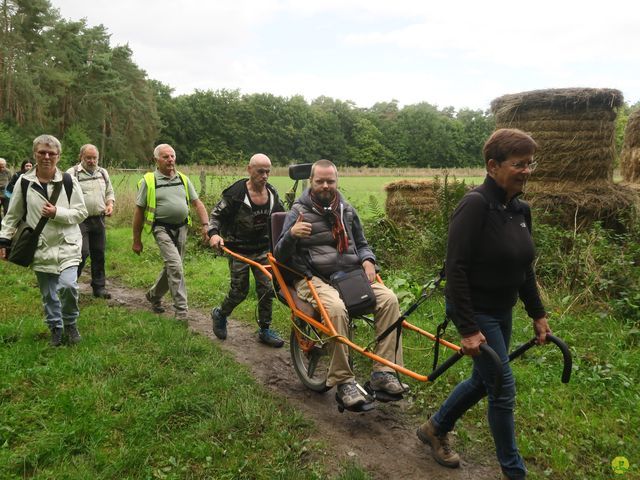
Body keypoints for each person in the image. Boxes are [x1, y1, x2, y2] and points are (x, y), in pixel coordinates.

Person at [416, 128, 551, 480]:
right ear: (493, 165)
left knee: (483, 380)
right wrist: (469, 328)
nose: (526, 171)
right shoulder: (475, 205)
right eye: (519, 164)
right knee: (502, 389)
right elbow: (456, 270)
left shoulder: (521, 209)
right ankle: (513, 471)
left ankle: (434, 427)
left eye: (530, 164)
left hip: (501, 310)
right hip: (474, 310)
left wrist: (537, 313)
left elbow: (525, 268)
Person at [274, 159, 404, 409]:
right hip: (313, 277)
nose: (325, 185)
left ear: (337, 182)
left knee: (389, 300)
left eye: (330, 181)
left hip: (350, 275)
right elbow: (280, 255)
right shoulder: (298, 211)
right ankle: (344, 382)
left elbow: (363, 244)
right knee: (334, 308)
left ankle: (383, 373)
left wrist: (367, 260)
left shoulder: (346, 209)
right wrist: (291, 235)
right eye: (320, 181)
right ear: (311, 182)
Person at [0, 135, 88, 346]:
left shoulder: (68, 180)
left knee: (68, 286)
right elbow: (12, 216)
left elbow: (81, 212)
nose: (46, 157)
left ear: (58, 156)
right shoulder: (24, 182)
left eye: (51, 153)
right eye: (42, 152)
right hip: (39, 246)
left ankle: (70, 323)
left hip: (68, 244)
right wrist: (3, 241)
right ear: (35, 154)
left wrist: (57, 212)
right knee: (49, 294)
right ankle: (55, 329)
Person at [208, 153, 285, 347]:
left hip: (262, 250)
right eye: (260, 171)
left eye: (268, 171)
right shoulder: (235, 194)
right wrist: (214, 234)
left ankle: (265, 329)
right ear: (249, 170)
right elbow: (216, 216)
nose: (265, 176)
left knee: (267, 290)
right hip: (238, 250)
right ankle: (220, 313)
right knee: (239, 291)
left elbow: (281, 217)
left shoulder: (272, 193)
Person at [132, 143, 209, 320]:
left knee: (173, 267)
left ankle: (153, 296)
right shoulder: (149, 181)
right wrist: (136, 240)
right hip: (161, 228)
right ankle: (182, 311)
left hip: (182, 228)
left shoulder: (183, 179)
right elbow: (138, 212)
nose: (170, 160)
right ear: (156, 160)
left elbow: (197, 203)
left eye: (172, 156)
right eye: (165, 157)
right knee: (175, 266)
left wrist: (206, 226)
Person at [67, 144, 115, 299]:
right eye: (88, 157)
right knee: (82, 252)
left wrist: (110, 204)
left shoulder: (103, 173)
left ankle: (99, 287)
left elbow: (109, 192)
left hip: (99, 219)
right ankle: (69, 284)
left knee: (99, 253)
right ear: (81, 157)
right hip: (79, 220)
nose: (92, 161)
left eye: (94, 158)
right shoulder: (72, 173)